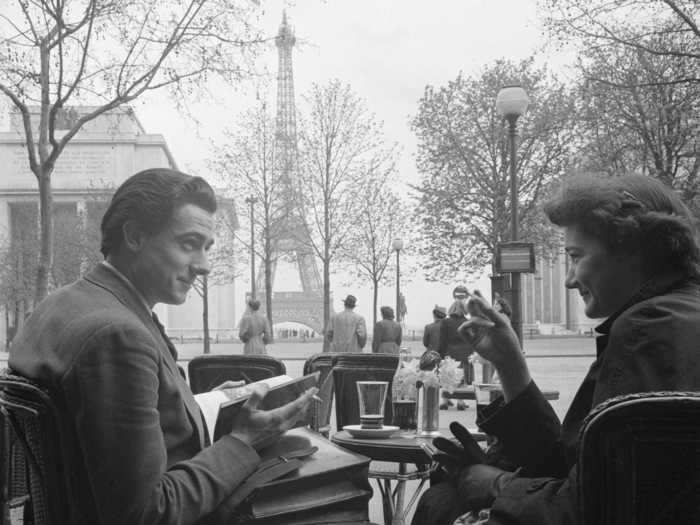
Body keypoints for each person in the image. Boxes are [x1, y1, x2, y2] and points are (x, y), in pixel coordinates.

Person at [8, 168, 316, 525]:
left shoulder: (64, 304)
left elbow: (93, 428)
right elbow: (146, 514)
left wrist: (197, 403)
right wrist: (244, 441)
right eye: (188, 244)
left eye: (207, 248)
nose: (203, 266)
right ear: (135, 236)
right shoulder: (118, 336)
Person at [412, 174, 700, 525]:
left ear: (633, 249)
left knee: (440, 502)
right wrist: (510, 363)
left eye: (576, 256)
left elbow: (596, 508)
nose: (569, 278)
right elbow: (583, 468)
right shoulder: (677, 316)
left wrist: (498, 484)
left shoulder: (649, 329)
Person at [438, 298, 475, 410]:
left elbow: (442, 340)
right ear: (464, 309)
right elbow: (472, 339)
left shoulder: (446, 322)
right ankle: (460, 401)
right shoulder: (468, 322)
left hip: (450, 353)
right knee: (462, 378)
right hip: (465, 353)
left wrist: (441, 354)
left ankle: (445, 401)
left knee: (448, 377)